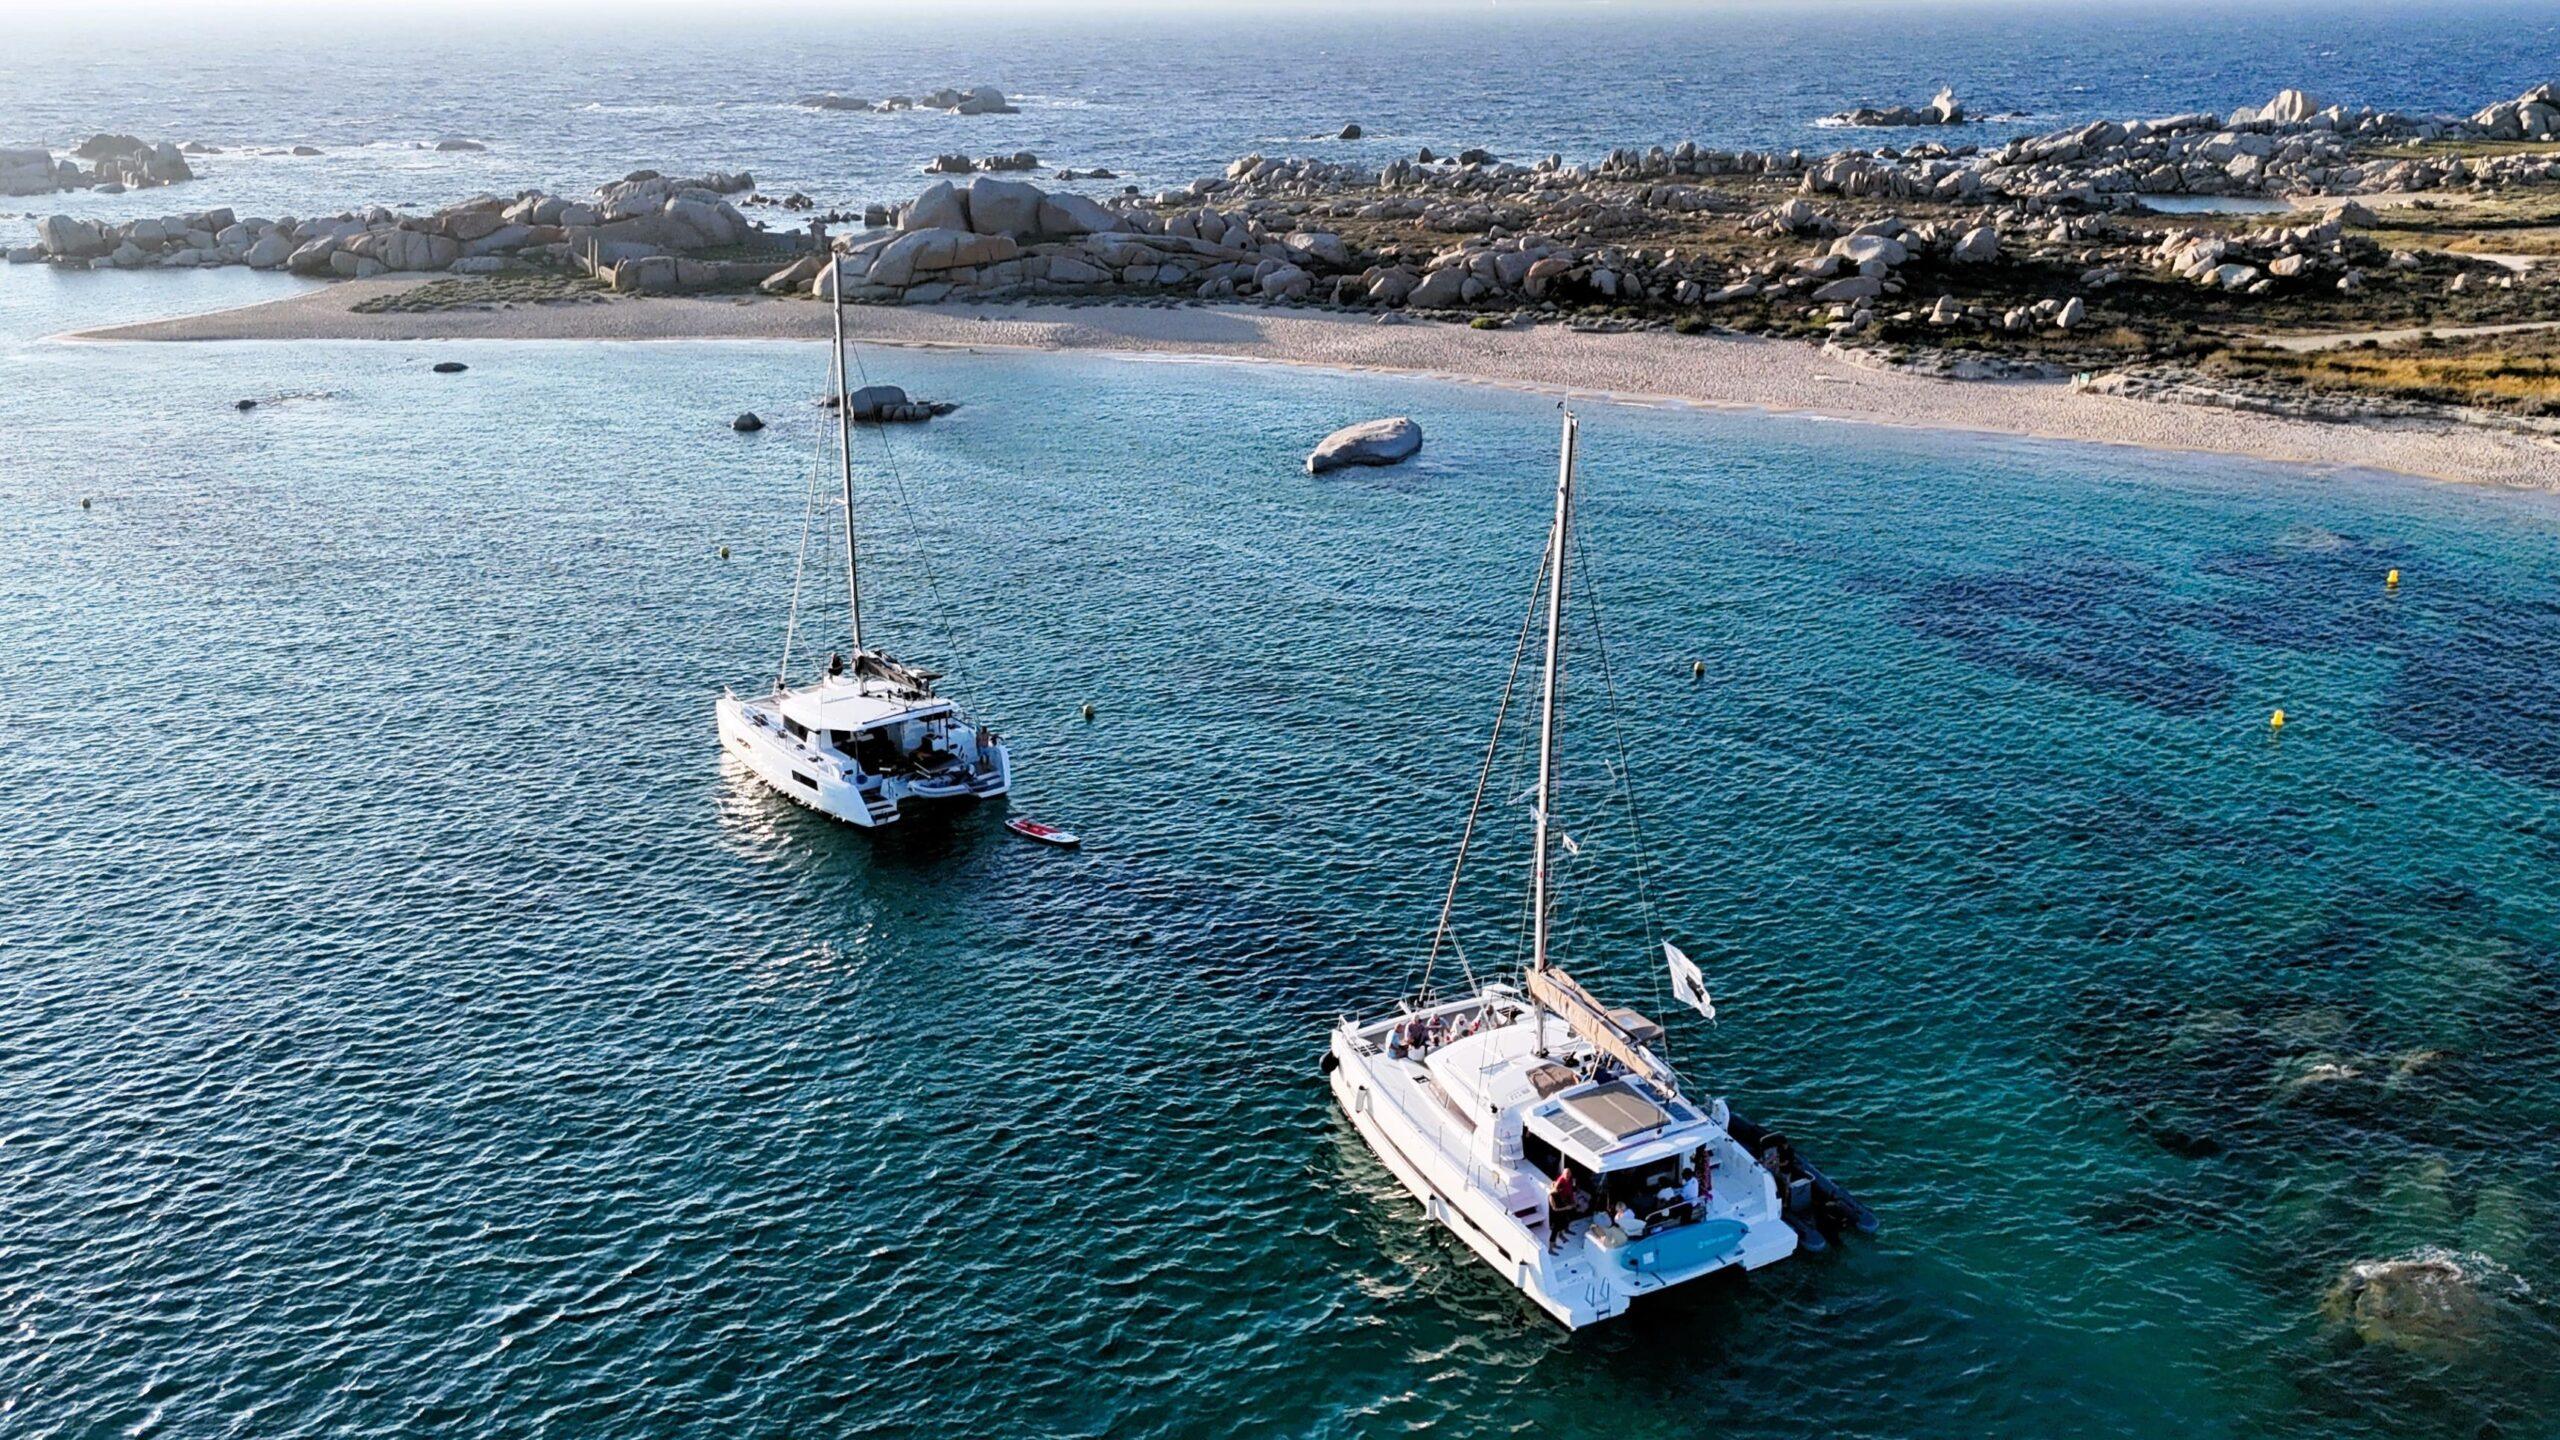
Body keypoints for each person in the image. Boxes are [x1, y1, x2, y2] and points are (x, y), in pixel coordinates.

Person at [1546, 1167, 1582, 1252]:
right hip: (1555, 1216)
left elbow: (1563, 1199)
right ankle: (1550, 1249)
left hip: (1560, 1214)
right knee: (1554, 1232)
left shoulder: (1558, 1194)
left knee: (1559, 1227)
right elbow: (1554, 1208)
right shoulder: (1552, 1196)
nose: (1560, 1190)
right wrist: (1566, 1207)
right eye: (1559, 1188)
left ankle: (1554, 1245)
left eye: (1560, 1189)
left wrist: (1568, 1204)